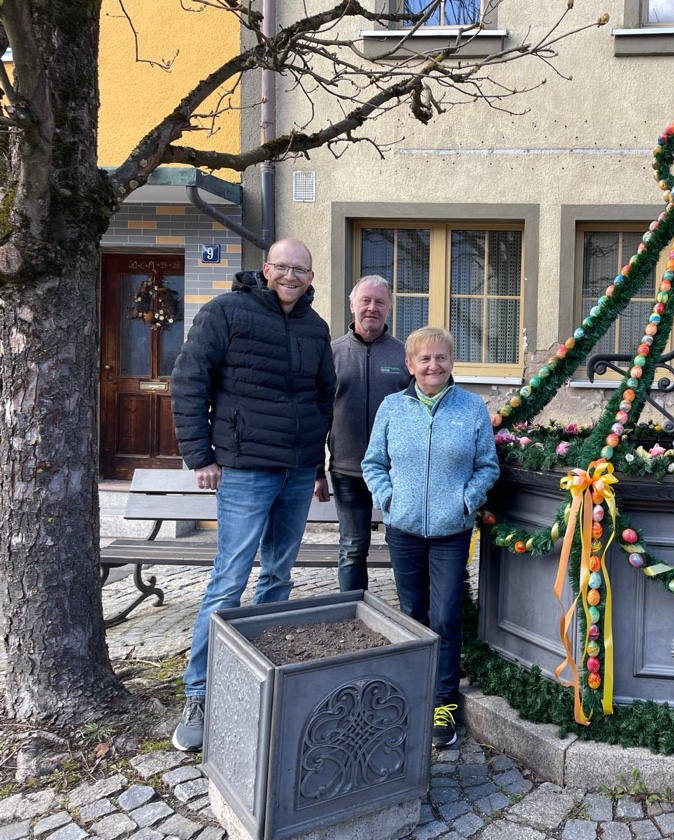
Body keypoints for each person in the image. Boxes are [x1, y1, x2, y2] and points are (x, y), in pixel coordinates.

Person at [169, 238, 335, 752]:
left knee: (279, 576)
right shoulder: (226, 312)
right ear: (265, 269)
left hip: (295, 470)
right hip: (243, 468)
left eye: (300, 269)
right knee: (228, 581)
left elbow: (322, 397)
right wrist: (200, 455)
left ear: (310, 276)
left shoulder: (315, 326)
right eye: (283, 267)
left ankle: (263, 677)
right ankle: (198, 692)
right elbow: (188, 381)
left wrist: (316, 465)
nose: (291, 275)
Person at [362, 326, 499, 748]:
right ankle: (413, 692)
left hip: (451, 531)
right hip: (403, 530)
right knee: (411, 613)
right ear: (410, 365)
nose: (433, 365)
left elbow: (487, 466)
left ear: (451, 362)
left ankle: (443, 701)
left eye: (441, 358)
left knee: (445, 616)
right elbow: (373, 463)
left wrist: (466, 500)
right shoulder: (391, 408)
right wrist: (390, 501)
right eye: (424, 359)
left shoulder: (471, 407)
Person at [329, 276, 411, 592]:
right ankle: (352, 614)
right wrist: (315, 472)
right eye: (365, 301)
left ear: (389, 307)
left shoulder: (405, 356)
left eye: (379, 302)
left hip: (398, 471)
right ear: (352, 305)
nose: (371, 308)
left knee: (403, 546)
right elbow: (318, 413)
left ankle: (412, 619)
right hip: (347, 470)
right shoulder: (332, 353)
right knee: (352, 547)